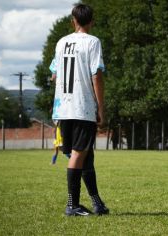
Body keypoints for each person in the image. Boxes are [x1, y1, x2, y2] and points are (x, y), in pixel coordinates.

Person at [50, 3, 108, 216]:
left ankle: (97, 203)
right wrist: (101, 107)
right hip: (82, 107)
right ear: (92, 21)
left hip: (63, 108)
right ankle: (72, 204)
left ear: (73, 20)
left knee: (85, 156)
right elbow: (97, 76)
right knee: (78, 154)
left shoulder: (61, 42)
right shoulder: (93, 42)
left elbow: (54, 74)